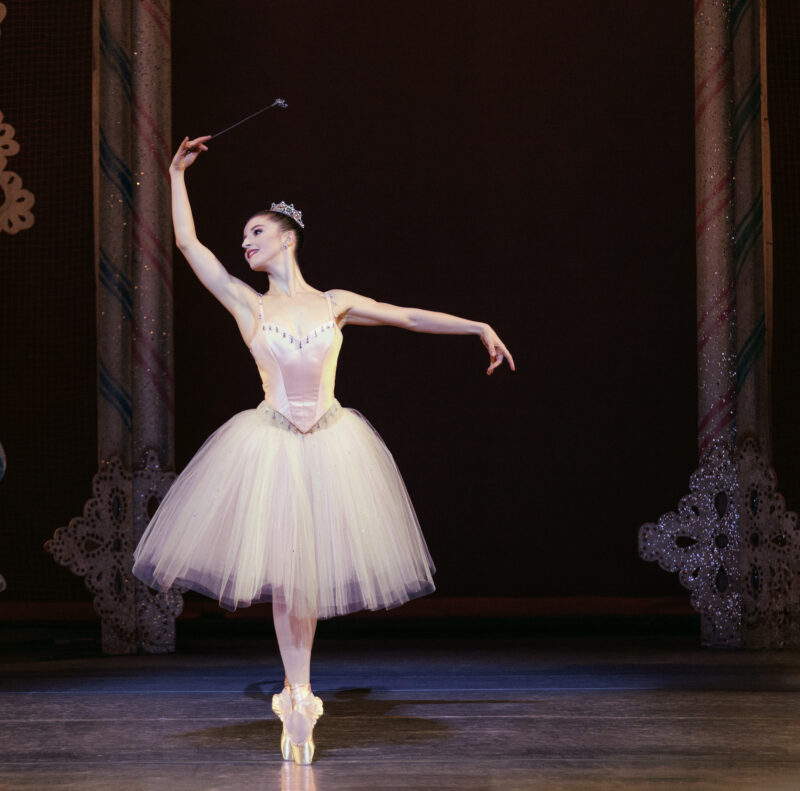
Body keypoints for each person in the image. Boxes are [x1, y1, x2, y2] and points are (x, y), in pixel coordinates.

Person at [132, 135, 515, 765]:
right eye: (243, 237)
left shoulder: (336, 305)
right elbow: (187, 245)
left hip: (333, 445)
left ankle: (295, 690)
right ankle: (300, 695)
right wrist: (176, 175)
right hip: (273, 448)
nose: (245, 242)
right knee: (288, 581)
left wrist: (478, 325)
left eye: (256, 232)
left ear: (287, 238)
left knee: (306, 582)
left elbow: (409, 317)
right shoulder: (246, 303)